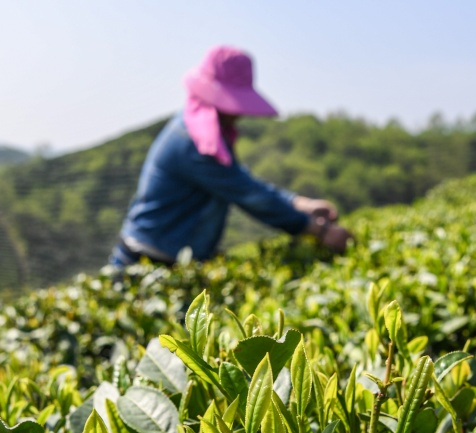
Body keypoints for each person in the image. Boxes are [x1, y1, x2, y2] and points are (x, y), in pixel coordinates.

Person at [109, 46, 351, 268]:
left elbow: (241, 180)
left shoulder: (205, 134)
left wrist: (299, 203)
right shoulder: (194, 142)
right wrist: (318, 231)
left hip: (164, 258)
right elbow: (248, 195)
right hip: (147, 260)